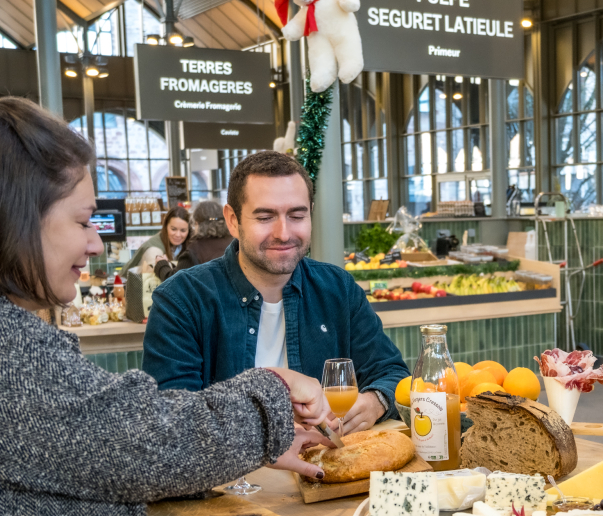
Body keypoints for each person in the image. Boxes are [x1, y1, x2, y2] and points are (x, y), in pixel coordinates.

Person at [0, 97, 335, 516]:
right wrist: (270, 394)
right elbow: (142, 442)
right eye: (83, 221)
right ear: (14, 219)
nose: (95, 244)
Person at [142, 151, 408, 433]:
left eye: (297, 215)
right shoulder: (181, 300)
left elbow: (392, 373)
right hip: (234, 465)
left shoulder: (338, 289)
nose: (283, 233)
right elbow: (169, 421)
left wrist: (375, 401)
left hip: (329, 460)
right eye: (265, 217)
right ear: (232, 220)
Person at [154, 199, 233, 280]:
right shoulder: (234, 242)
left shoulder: (195, 250)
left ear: (197, 223)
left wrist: (161, 264)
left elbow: (174, 281)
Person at [122, 205, 191, 273]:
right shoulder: (154, 251)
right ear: (166, 226)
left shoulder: (186, 245)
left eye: (183, 230)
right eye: (173, 229)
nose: (178, 235)